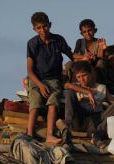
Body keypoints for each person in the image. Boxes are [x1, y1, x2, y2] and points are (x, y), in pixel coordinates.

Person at [26, 12, 73, 144]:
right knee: (35, 102)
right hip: (37, 79)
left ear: (50, 25)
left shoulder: (58, 40)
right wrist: (40, 85)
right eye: (39, 28)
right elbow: (29, 71)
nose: (43, 30)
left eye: (45, 26)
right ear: (34, 29)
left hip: (54, 80)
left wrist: (85, 57)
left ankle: (50, 135)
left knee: (53, 102)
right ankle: (29, 133)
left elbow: (72, 55)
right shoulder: (32, 43)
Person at [63, 61, 114, 146]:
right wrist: (88, 92)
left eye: (84, 75)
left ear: (91, 74)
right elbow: (67, 85)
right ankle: (67, 126)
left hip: (95, 122)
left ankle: (97, 136)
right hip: (80, 121)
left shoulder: (101, 88)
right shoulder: (76, 86)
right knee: (70, 93)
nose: (82, 79)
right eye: (78, 77)